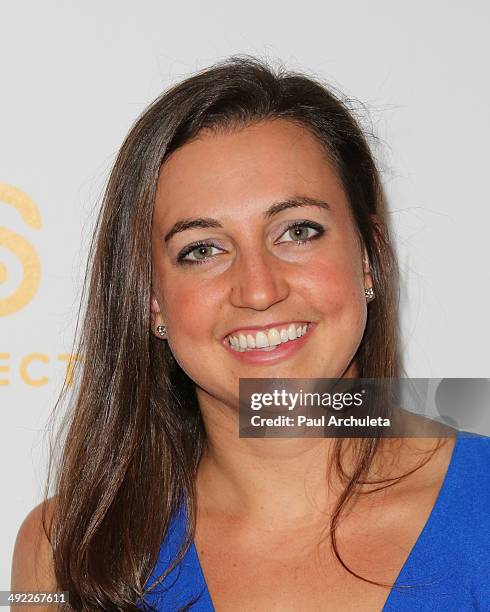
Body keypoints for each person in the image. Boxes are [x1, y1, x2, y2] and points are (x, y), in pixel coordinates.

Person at [11, 55, 490, 611]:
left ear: (368, 257)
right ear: (150, 299)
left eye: (297, 231)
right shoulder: (64, 552)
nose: (258, 290)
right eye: (202, 249)